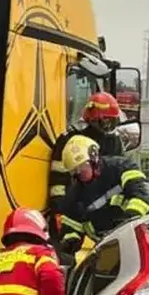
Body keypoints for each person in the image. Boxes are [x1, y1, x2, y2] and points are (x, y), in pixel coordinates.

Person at [57, 135, 149, 256]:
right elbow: (71, 223)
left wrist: (131, 218)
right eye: (74, 171)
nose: (79, 173)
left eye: (82, 167)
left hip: (143, 235)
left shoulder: (121, 168)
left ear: (94, 159)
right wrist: (70, 240)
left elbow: (143, 192)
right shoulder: (75, 192)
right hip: (107, 246)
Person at [49, 91, 125, 226]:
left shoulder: (114, 140)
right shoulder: (69, 139)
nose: (110, 126)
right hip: (73, 205)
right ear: (93, 120)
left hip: (104, 207)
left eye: (113, 121)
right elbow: (58, 178)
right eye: (106, 121)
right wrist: (59, 209)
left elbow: (120, 174)